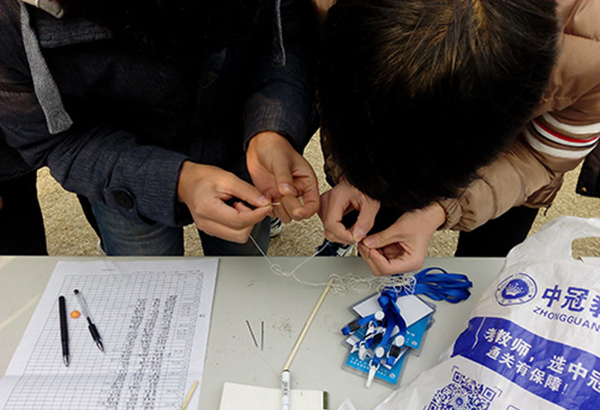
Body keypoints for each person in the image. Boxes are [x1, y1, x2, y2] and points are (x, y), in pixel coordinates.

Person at [0, 0, 320, 256]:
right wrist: (172, 181)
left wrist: (272, 129)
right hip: (118, 172)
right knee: (146, 277)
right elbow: (51, 138)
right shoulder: (11, 17)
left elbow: (286, 38)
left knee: (244, 264)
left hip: (239, 144)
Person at [315, 0, 600, 275]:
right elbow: (338, 97)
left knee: (488, 261)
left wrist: (440, 210)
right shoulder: (331, 8)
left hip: (516, 178)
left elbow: (540, 157)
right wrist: (356, 173)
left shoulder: (591, 58)